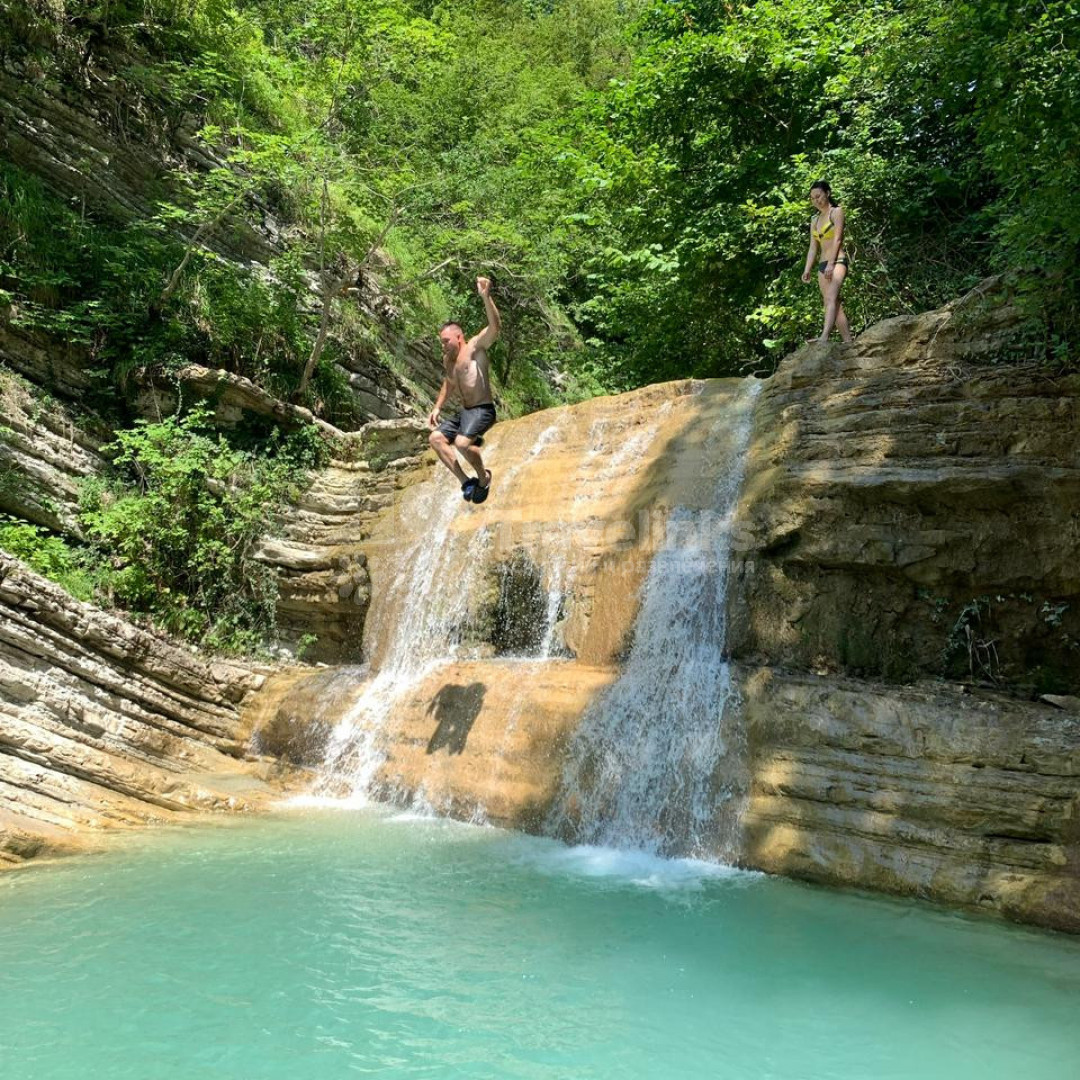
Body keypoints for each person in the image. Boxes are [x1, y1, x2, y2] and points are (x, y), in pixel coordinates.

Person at [428, 276, 501, 503]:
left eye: (446, 341)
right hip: (466, 412)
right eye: (441, 341)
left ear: (459, 338)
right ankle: (465, 481)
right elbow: (449, 383)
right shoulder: (448, 360)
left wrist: (486, 297)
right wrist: (437, 407)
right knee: (436, 438)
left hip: (482, 410)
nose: (443, 345)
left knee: (461, 443)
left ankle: (483, 477)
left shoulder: (474, 349)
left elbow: (495, 327)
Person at [801, 180, 853, 344]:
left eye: (818, 196)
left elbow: (838, 239)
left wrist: (831, 264)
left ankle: (824, 337)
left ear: (828, 193)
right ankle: (848, 342)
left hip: (837, 261)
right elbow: (812, 248)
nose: (816, 200)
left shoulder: (836, 212)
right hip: (822, 265)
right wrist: (807, 269)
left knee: (830, 298)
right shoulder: (814, 220)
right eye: (812, 198)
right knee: (832, 302)